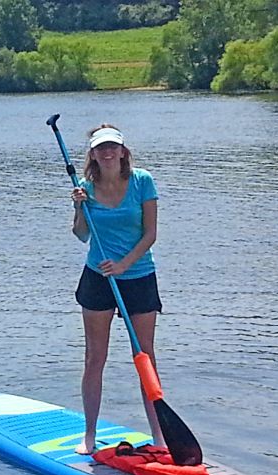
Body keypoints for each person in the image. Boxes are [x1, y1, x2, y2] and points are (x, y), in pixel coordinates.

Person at [70, 124, 165, 455]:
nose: (107, 153)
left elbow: (150, 233)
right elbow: (81, 235)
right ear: (93, 154)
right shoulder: (85, 187)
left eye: (113, 147)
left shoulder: (143, 181)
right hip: (98, 278)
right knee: (95, 357)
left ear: (123, 151)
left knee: (145, 358)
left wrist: (124, 265)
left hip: (138, 275)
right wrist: (80, 207)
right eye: (101, 148)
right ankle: (89, 434)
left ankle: (159, 436)